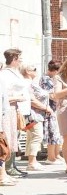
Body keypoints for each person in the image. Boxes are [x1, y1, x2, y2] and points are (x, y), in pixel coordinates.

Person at [2, 49, 31, 178]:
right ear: (14, 59)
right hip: (8, 109)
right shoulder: (5, 74)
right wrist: (16, 97)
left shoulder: (14, 72)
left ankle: (12, 165)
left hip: (15, 109)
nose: (21, 60)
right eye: (20, 58)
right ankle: (7, 167)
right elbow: (5, 94)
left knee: (15, 137)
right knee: (8, 137)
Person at [37, 60, 62, 165]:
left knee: (56, 132)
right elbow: (52, 95)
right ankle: (51, 157)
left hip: (53, 109)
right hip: (49, 109)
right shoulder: (47, 79)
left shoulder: (49, 78)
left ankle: (56, 155)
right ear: (55, 70)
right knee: (52, 132)